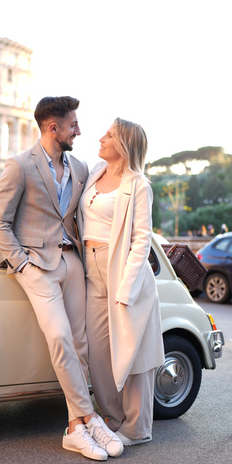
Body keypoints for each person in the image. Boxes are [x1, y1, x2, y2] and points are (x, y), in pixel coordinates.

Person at [0, 96, 122, 461]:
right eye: (73, 125)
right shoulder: (19, 166)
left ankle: (74, 428)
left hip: (73, 264)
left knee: (80, 347)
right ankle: (91, 417)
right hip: (37, 266)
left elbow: (106, 193)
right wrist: (22, 264)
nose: (78, 130)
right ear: (54, 127)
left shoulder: (81, 168)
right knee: (61, 338)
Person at [78, 118, 164, 446]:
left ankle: (137, 429)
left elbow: (142, 240)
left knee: (134, 353)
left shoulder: (139, 185)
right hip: (91, 269)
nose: (101, 138)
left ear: (124, 144)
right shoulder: (95, 173)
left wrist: (126, 289)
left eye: (109, 135)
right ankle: (113, 420)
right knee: (99, 351)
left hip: (124, 276)